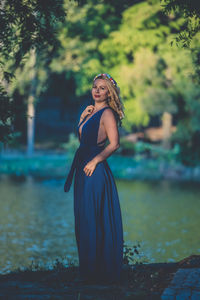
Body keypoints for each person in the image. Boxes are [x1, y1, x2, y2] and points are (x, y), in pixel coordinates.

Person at [64, 73, 125, 284]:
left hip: (94, 170)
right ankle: (88, 271)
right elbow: (83, 139)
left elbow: (114, 143)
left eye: (102, 88)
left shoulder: (107, 114)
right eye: (95, 87)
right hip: (83, 168)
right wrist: (81, 118)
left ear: (109, 92)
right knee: (83, 219)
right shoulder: (90, 112)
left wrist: (95, 161)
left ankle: (99, 273)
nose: (97, 91)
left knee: (93, 220)